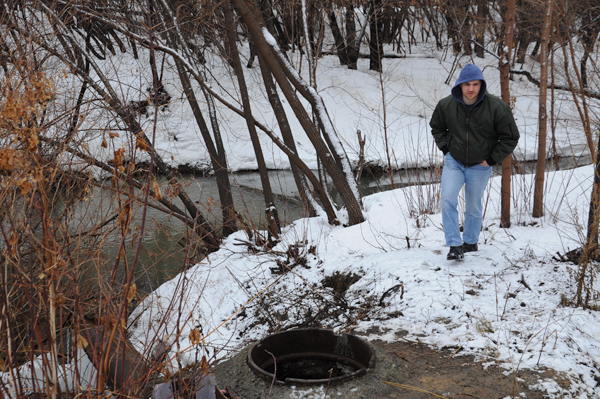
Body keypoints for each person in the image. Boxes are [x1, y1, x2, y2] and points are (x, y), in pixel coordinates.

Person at [430, 64, 520, 260]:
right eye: (467, 84)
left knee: (473, 205)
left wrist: (491, 160)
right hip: (455, 161)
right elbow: (436, 127)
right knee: (447, 199)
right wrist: (446, 149)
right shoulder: (446, 105)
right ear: (460, 86)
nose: (471, 89)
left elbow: (511, 137)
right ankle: (454, 245)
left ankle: (470, 242)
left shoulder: (497, 107)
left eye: (475, 84)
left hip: (480, 165)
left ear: (481, 85)